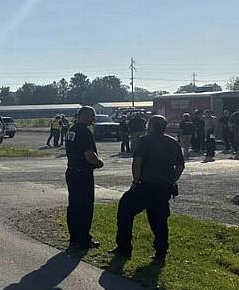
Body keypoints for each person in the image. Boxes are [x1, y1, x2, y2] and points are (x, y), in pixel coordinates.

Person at [113, 115, 184, 261]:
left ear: (151, 126)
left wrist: (135, 181)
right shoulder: (173, 142)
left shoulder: (145, 141)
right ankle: (161, 251)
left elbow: (137, 162)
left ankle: (124, 248)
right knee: (159, 220)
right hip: (164, 188)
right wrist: (171, 180)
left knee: (125, 211)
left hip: (145, 186)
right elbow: (180, 166)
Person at [64, 106, 104, 250]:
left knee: (74, 205)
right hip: (82, 174)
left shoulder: (72, 129)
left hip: (72, 171)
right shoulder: (84, 131)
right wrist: (99, 163)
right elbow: (89, 155)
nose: (93, 118)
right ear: (84, 115)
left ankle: (74, 237)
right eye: (92, 115)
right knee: (85, 207)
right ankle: (83, 240)